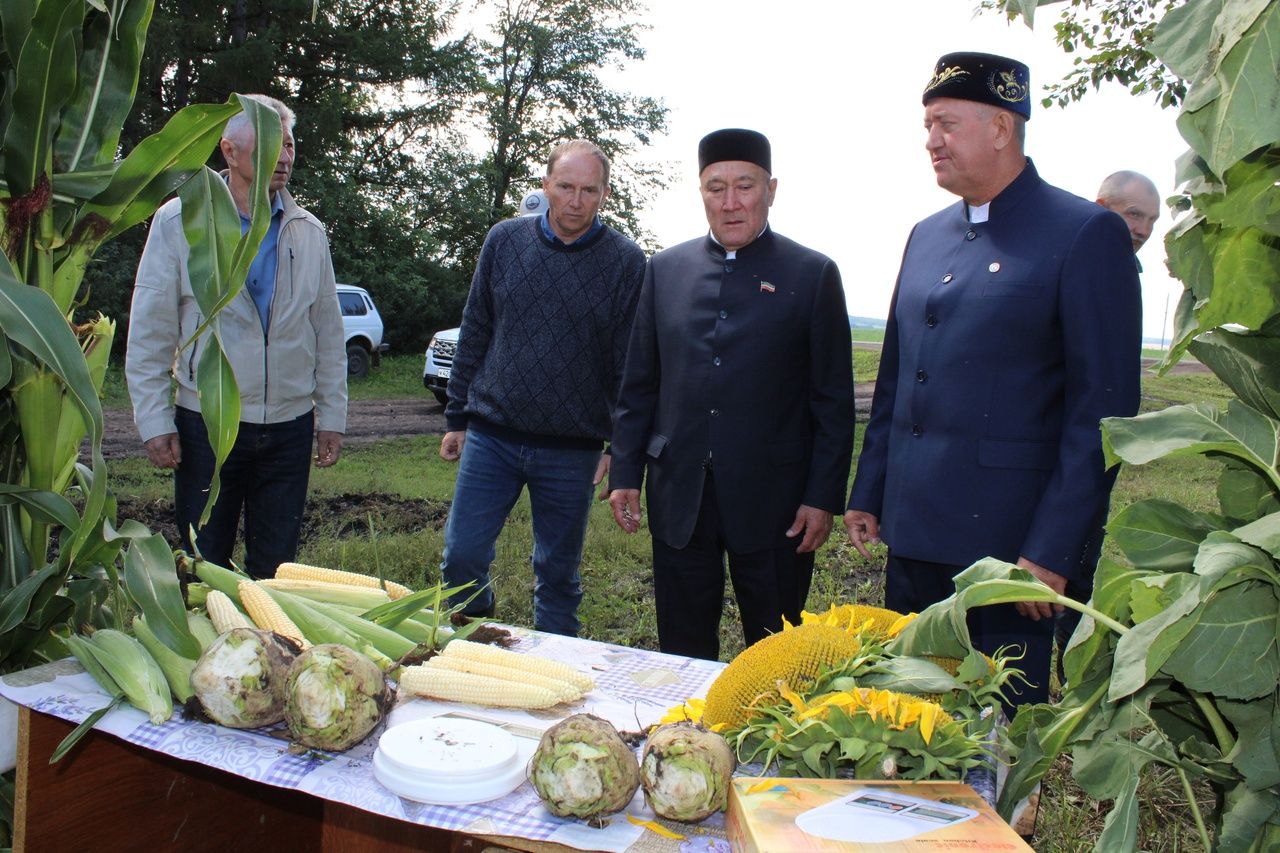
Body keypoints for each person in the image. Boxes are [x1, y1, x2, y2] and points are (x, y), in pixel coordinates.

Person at [844, 53, 1141, 708]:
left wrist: (1051, 550)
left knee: (995, 739)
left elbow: (1105, 413)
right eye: (927, 124)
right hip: (915, 536)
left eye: (945, 123)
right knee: (910, 720)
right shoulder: (925, 236)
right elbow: (897, 377)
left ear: (1001, 128)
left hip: (1008, 558)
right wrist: (870, 491)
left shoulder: (1084, 234)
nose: (930, 141)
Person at [608, 128, 854, 661]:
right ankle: (689, 742)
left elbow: (832, 401)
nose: (731, 201)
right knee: (682, 645)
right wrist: (625, 473)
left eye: (745, 185)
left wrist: (822, 496)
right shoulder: (665, 270)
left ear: (771, 189)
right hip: (680, 495)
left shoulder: (812, 274)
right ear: (701, 193)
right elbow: (639, 384)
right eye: (716, 187)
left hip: (777, 503)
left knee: (775, 655)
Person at [126, 94, 347, 579]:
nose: (285, 155)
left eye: (290, 143)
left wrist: (330, 415)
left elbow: (328, 331)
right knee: (204, 566)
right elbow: (150, 329)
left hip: (289, 427)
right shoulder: (178, 220)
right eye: (273, 143)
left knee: (277, 570)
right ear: (229, 150)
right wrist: (154, 420)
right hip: (208, 423)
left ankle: (272, 652)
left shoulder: (308, 232)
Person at [439, 139, 645, 637]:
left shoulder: (626, 262)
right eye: (566, 186)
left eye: (588, 190)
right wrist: (457, 416)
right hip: (492, 435)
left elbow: (629, 366)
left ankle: (555, 664)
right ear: (546, 185)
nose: (575, 200)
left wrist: (619, 448)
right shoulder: (504, 241)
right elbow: (476, 329)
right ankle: (470, 645)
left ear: (605, 194)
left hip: (571, 450)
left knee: (557, 572)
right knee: (461, 556)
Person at [1096, 170, 1161, 257]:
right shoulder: (1073, 258)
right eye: (1134, 214)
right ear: (1100, 208)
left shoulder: (1126, 269)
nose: (1144, 231)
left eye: (1152, 219)